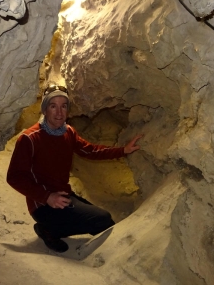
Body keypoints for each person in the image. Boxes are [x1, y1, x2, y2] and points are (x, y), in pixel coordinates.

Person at [7, 84, 143, 253]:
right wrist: (47, 197)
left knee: (105, 226)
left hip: (64, 195)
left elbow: (90, 150)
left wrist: (123, 150)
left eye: (63, 106)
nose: (59, 112)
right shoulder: (29, 138)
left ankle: (54, 228)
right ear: (44, 110)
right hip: (43, 205)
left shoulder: (68, 132)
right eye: (53, 106)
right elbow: (14, 177)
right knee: (102, 219)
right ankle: (49, 230)